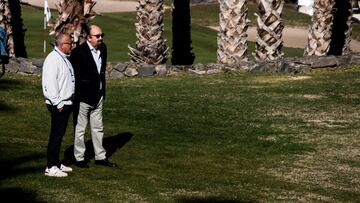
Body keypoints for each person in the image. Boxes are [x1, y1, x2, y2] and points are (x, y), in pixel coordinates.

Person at [70, 25, 117, 168]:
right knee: (80, 129)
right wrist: (78, 97)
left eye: (102, 35)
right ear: (89, 37)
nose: (101, 38)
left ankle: (100, 156)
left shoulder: (103, 48)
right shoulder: (78, 52)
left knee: (98, 127)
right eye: (98, 36)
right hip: (83, 98)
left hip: (99, 96)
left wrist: (101, 91)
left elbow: (101, 72)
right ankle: (79, 158)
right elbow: (75, 77)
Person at [42, 33, 75, 177]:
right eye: (69, 43)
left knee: (60, 135)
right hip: (59, 104)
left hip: (65, 102)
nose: (71, 46)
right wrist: (58, 103)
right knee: (56, 135)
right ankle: (51, 166)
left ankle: (56, 161)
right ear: (62, 45)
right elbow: (50, 84)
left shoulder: (63, 57)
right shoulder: (53, 59)